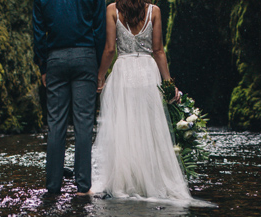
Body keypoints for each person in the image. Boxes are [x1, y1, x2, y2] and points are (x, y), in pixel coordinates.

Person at [91, 0, 197, 204]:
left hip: (123, 73)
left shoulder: (112, 10)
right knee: (149, 128)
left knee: (125, 128)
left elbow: (110, 49)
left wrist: (101, 75)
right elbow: (158, 51)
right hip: (148, 74)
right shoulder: (154, 11)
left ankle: (125, 182)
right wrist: (168, 83)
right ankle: (151, 180)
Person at [33, 0, 106, 196]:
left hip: (55, 58)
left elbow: (39, 32)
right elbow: (100, 28)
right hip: (86, 55)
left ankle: (53, 185)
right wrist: (98, 64)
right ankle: (83, 186)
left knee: (56, 123)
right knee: (83, 123)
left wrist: (43, 66)